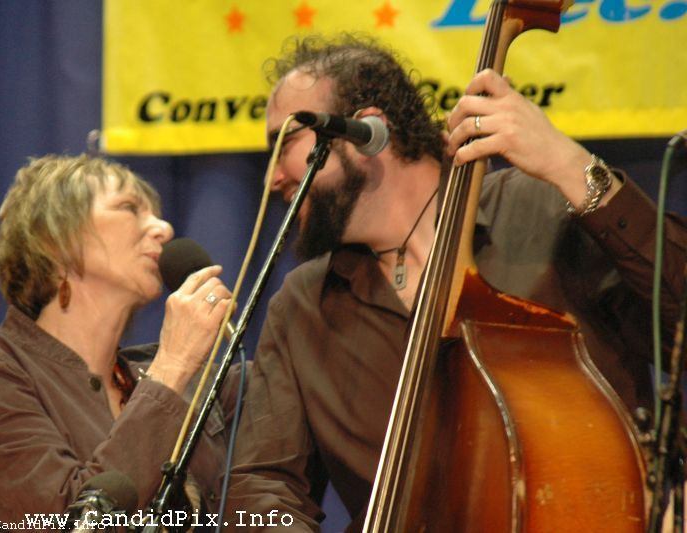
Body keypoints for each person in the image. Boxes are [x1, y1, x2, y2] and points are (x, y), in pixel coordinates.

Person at [225, 34, 687, 530]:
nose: (271, 178)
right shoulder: (301, 306)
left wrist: (570, 166)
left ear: (368, 132)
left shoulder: (543, 210)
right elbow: (261, 486)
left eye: (285, 144)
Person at [0, 154, 237, 528]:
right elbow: (72, 519)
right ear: (53, 239)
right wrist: (174, 364)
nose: (164, 229)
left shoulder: (190, 383)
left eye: (156, 214)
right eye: (129, 208)